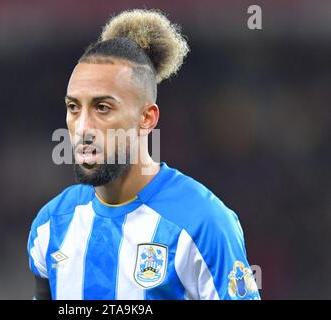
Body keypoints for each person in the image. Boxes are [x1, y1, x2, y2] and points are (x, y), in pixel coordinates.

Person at [27, 8, 260, 300]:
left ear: (146, 118)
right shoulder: (50, 225)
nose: (83, 127)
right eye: (74, 107)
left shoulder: (204, 223)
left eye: (102, 108)